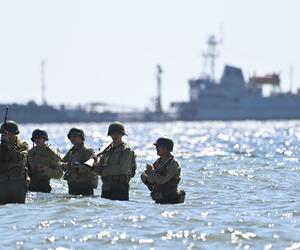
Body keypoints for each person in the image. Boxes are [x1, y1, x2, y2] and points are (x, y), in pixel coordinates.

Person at [92, 122, 136, 201]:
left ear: (122, 135)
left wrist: (102, 170)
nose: (115, 136)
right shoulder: (106, 151)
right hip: (106, 188)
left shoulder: (127, 151)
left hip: (120, 188)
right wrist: (94, 164)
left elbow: (122, 169)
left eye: (117, 133)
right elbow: (99, 170)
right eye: (113, 133)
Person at [141, 137, 185, 204]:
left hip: (170, 201)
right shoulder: (159, 161)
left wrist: (151, 171)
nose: (156, 148)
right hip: (159, 199)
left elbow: (162, 180)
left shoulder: (173, 164)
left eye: (158, 146)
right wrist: (148, 180)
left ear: (166, 148)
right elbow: (146, 175)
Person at [61, 127, 98, 195]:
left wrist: (78, 167)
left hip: (85, 186)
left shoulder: (88, 151)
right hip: (73, 186)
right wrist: (64, 165)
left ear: (81, 138)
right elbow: (60, 162)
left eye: (75, 136)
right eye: (71, 137)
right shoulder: (71, 152)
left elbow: (92, 168)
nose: (72, 138)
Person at [0, 120, 28, 204]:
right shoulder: (1, 147)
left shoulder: (23, 145)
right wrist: (14, 165)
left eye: (6, 133)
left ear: (14, 133)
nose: (3, 135)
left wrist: (9, 145)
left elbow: (19, 158)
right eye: (2, 133)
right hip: (2, 185)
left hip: (18, 185)